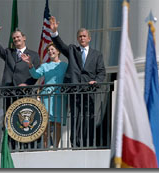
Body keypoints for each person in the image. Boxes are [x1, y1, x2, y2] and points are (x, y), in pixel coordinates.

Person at [49, 16, 106, 147]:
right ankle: (75, 143)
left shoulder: (97, 55)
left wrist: (96, 81)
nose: (82, 38)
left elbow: (101, 72)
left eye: (84, 36)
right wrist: (54, 33)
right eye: (80, 36)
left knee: (89, 117)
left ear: (89, 38)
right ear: (77, 39)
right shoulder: (72, 50)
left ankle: (89, 143)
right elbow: (60, 45)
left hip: (89, 90)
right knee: (75, 117)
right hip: (75, 90)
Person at [0, 19, 40, 149]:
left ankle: (25, 147)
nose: (16, 39)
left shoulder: (33, 55)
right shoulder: (9, 52)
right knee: (10, 120)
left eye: (18, 37)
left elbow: (37, 73)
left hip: (24, 93)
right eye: (14, 38)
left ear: (24, 38)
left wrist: (27, 85)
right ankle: (11, 147)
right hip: (9, 92)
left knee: (24, 120)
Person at [22, 43, 68, 148]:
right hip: (47, 97)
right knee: (46, 123)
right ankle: (46, 146)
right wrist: (30, 64)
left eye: (52, 49)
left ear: (58, 51)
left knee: (58, 122)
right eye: (48, 50)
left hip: (59, 97)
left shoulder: (65, 65)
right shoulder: (45, 66)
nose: (50, 52)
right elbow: (35, 75)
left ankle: (55, 146)